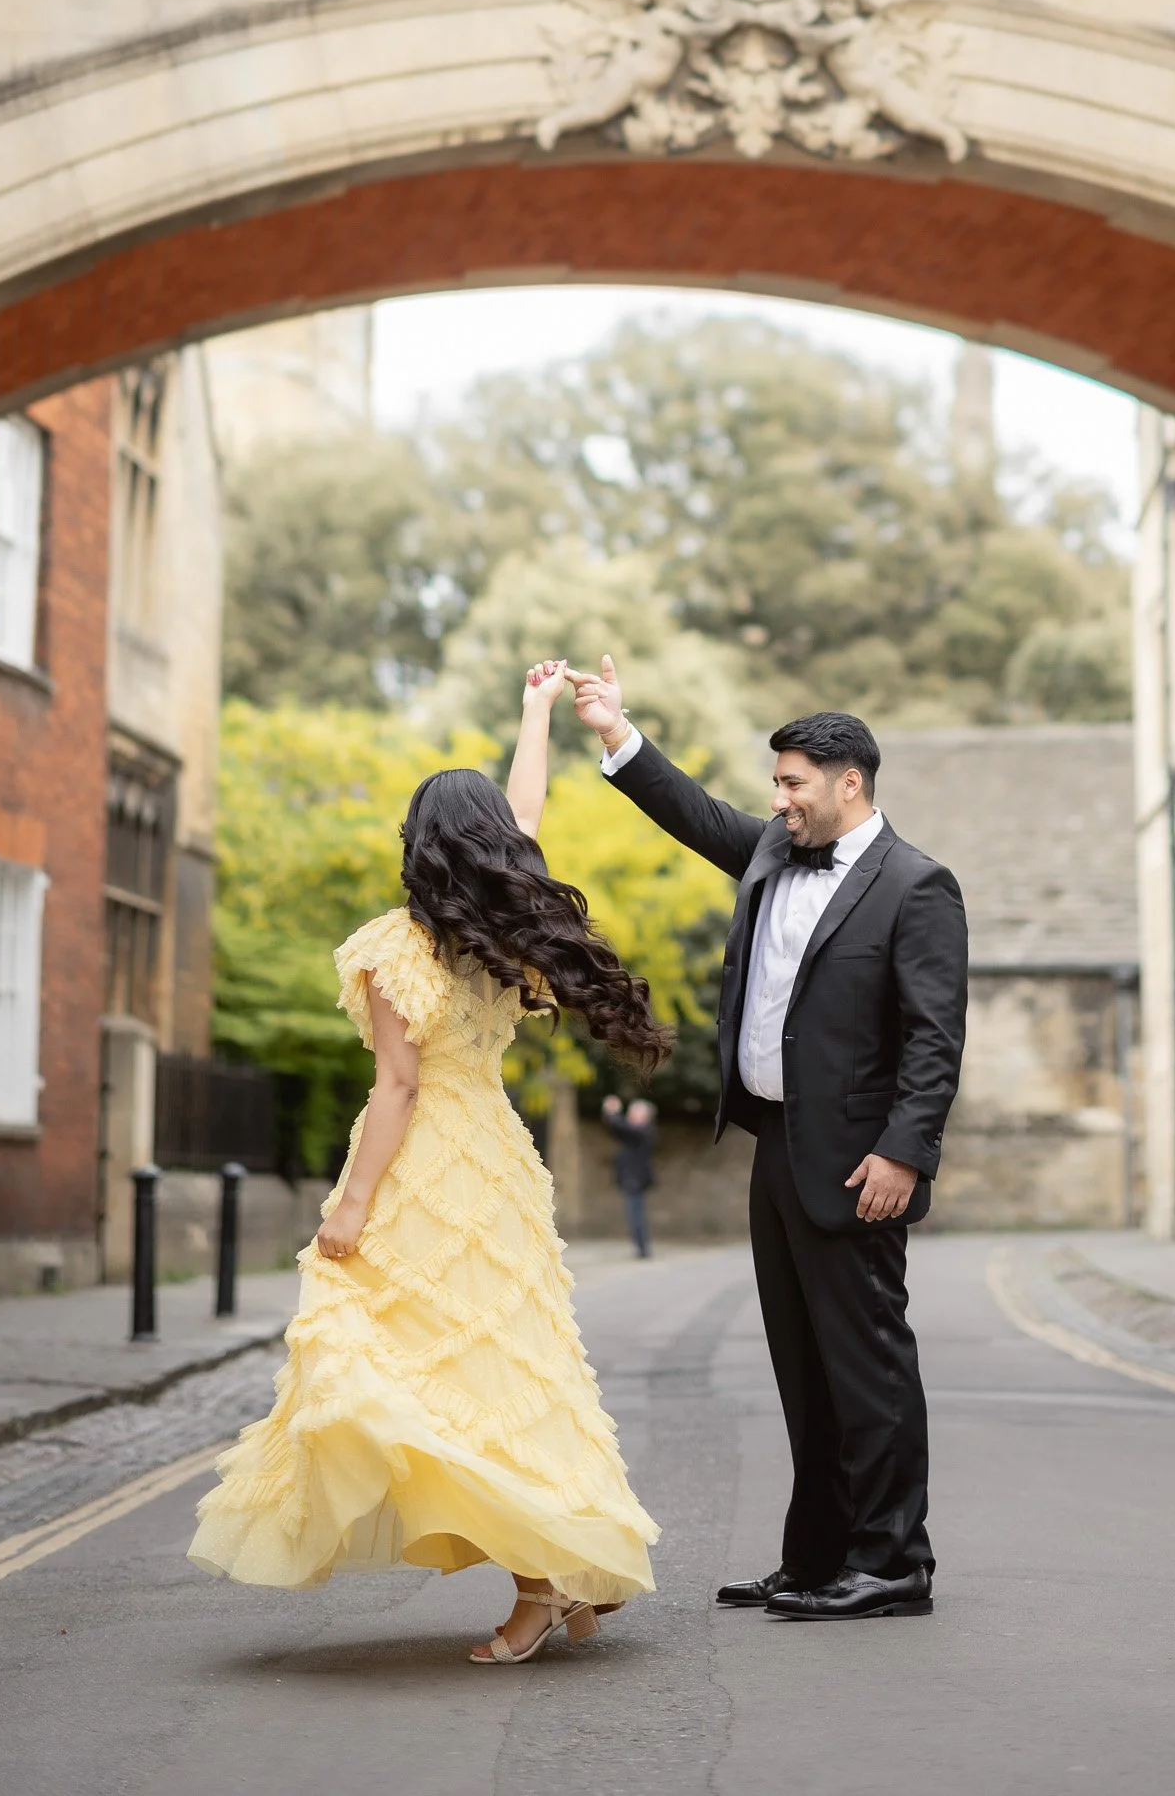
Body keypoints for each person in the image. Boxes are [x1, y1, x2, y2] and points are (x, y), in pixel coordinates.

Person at [187, 660, 666, 1667]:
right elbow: (524, 815)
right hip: (497, 1163)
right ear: (491, 844)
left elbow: (397, 1090)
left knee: (391, 1356)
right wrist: (535, 713)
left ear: (420, 843)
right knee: (507, 1366)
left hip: (428, 1169)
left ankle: (541, 1583)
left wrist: (350, 1206)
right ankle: (563, 1568)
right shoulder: (512, 927)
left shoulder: (397, 947)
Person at [571, 656, 968, 1625]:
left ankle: (892, 1562)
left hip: (859, 1158)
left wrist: (904, 1150)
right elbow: (691, 810)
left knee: (866, 1362)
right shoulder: (768, 852)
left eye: (794, 781)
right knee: (801, 1359)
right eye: (777, 782)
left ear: (850, 782)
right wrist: (615, 728)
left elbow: (934, 1033)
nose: (779, 798)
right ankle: (818, 1556)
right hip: (777, 1143)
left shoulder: (918, 886)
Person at [602, 1093, 659, 1256]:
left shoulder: (644, 1131)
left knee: (636, 1215)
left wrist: (612, 1112)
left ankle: (643, 1249)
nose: (630, 1116)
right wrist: (610, 1115)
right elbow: (617, 1128)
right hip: (631, 1178)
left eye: (634, 1113)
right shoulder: (638, 1131)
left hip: (636, 1179)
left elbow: (621, 1126)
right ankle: (641, 1248)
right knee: (634, 1214)